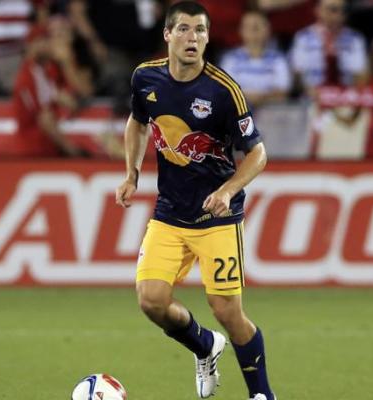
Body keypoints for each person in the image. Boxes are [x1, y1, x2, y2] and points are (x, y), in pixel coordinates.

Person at [115, 2, 275, 400]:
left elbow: (257, 154)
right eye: (184, 29)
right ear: (168, 35)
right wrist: (132, 172)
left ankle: (263, 395)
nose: (193, 38)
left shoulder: (223, 91)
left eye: (200, 31)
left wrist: (226, 191)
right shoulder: (145, 78)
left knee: (228, 312)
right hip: (170, 213)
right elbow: (136, 123)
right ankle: (205, 346)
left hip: (216, 219)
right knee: (151, 301)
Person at [12, 23, 88, 157]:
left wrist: (67, 61)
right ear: (31, 45)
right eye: (43, 40)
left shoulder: (46, 71)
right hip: (32, 152)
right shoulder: (27, 77)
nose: (48, 45)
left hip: (49, 148)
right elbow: (44, 118)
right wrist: (71, 150)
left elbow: (79, 93)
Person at [290, 0, 368, 96]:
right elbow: (297, 75)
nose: (339, 14)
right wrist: (311, 92)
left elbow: (362, 75)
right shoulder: (303, 37)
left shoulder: (355, 39)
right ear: (318, 10)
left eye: (343, 10)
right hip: (311, 97)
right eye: (333, 9)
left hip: (346, 97)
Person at [220, 9, 291, 109]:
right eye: (248, 27)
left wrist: (252, 98)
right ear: (241, 31)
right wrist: (258, 97)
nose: (252, 31)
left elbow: (282, 94)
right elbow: (225, 92)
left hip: (271, 113)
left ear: (267, 30)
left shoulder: (278, 59)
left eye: (256, 27)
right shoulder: (231, 59)